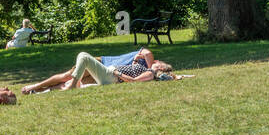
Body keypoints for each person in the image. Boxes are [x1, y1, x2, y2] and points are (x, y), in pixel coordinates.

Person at [23, 54, 187, 94]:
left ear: (160, 68)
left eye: (158, 63)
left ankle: (72, 85)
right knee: (69, 80)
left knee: (83, 56)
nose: (155, 61)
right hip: (111, 75)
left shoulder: (150, 73)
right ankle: (37, 91)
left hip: (111, 75)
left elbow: (134, 81)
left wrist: (116, 71)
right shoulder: (146, 69)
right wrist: (136, 61)